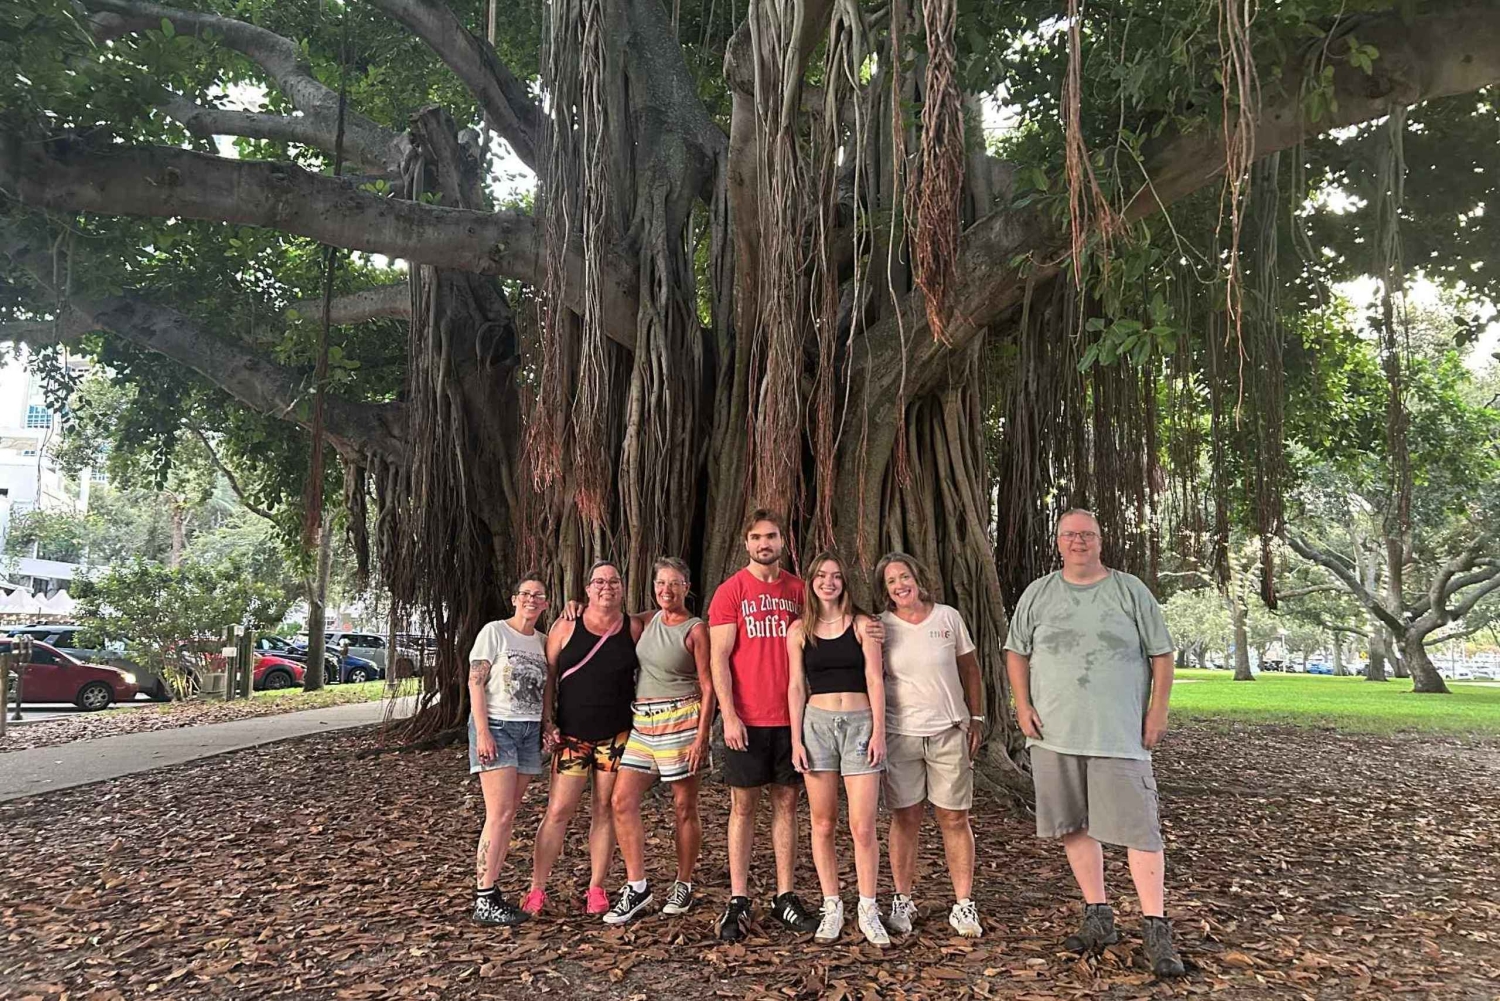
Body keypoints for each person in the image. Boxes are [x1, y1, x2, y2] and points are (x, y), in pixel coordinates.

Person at [1003, 509, 1184, 977]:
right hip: (1054, 734)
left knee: (1140, 832)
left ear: (1100, 541)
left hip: (1118, 734)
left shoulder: (1129, 590)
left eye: (1087, 534)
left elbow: (1162, 654)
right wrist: (1022, 706)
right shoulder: (1039, 593)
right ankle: (1098, 914)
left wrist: (1157, 710)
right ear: (1058, 542)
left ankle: (1155, 927)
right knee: (1073, 825)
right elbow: (1016, 651)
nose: (1078, 541)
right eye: (1070, 535)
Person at [708, 510, 820, 939]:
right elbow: (719, 658)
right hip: (747, 720)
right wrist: (730, 715)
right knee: (743, 806)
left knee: (787, 804)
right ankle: (739, 898)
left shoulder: (800, 591)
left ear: (782, 540)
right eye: (756, 537)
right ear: (746, 543)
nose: (764, 544)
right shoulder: (731, 591)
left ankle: (784, 895)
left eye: (770, 536)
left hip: (790, 719)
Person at [522, 560, 642, 916]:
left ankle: (596, 888)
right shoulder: (565, 625)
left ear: (622, 588)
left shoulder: (633, 627)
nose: (607, 587)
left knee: (603, 810)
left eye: (614, 581)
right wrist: (548, 722)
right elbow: (549, 676)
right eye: (598, 582)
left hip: (615, 736)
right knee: (558, 810)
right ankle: (537, 888)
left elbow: (667, 613)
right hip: (573, 737)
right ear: (587, 590)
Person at [877, 552, 986, 938]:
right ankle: (902, 900)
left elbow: (970, 669)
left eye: (904, 576)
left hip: (948, 731)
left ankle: (963, 904)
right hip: (901, 734)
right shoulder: (880, 627)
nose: (899, 585)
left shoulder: (948, 618)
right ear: (885, 590)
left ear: (918, 578)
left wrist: (977, 717)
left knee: (954, 817)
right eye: (891, 581)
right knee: (905, 818)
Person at [603, 557, 717, 924]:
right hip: (643, 724)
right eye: (660, 583)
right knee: (621, 800)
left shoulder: (696, 629)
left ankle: (683, 883)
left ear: (687, 587)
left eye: (675, 583)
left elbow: (709, 685)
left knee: (684, 806)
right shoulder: (647, 620)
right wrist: (575, 607)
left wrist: (703, 736)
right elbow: (608, 617)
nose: (667, 590)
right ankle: (637, 886)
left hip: (682, 720)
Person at [787, 552, 889, 946]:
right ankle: (833, 904)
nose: (828, 582)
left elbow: (876, 680)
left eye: (836, 576)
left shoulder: (864, 625)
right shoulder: (799, 630)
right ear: (811, 581)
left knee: (862, 826)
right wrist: (796, 738)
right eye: (821, 576)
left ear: (844, 582)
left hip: (861, 725)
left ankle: (867, 905)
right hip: (817, 727)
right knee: (823, 823)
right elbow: (796, 686)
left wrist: (879, 731)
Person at [467, 573, 551, 926]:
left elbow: (547, 690)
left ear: (546, 604)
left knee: (509, 814)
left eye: (539, 595)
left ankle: (491, 889)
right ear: (514, 599)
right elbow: (475, 681)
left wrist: (547, 725)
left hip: (529, 730)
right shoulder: (494, 631)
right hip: (498, 727)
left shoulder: (544, 642)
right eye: (525, 594)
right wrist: (483, 732)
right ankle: (484, 897)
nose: (531, 600)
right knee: (498, 813)